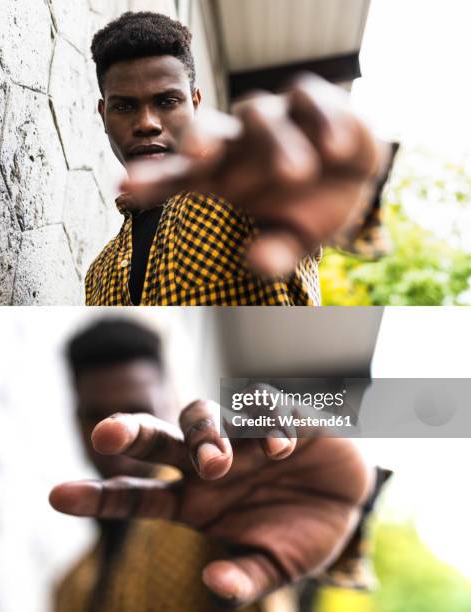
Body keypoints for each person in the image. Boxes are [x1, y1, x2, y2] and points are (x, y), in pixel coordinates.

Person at [50, 318, 390, 612]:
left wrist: (336, 500)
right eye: (95, 415)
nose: (116, 435)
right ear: (75, 420)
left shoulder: (219, 510)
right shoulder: (68, 587)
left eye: (137, 408)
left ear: (170, 402)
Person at [85, 12, 394, 306]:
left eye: (167, 101)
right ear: (103, 114)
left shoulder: (251, 195)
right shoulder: (98, 275)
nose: (147, 123)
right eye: (124, 107)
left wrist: (346, 169)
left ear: (195, 103)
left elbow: (359, 230)